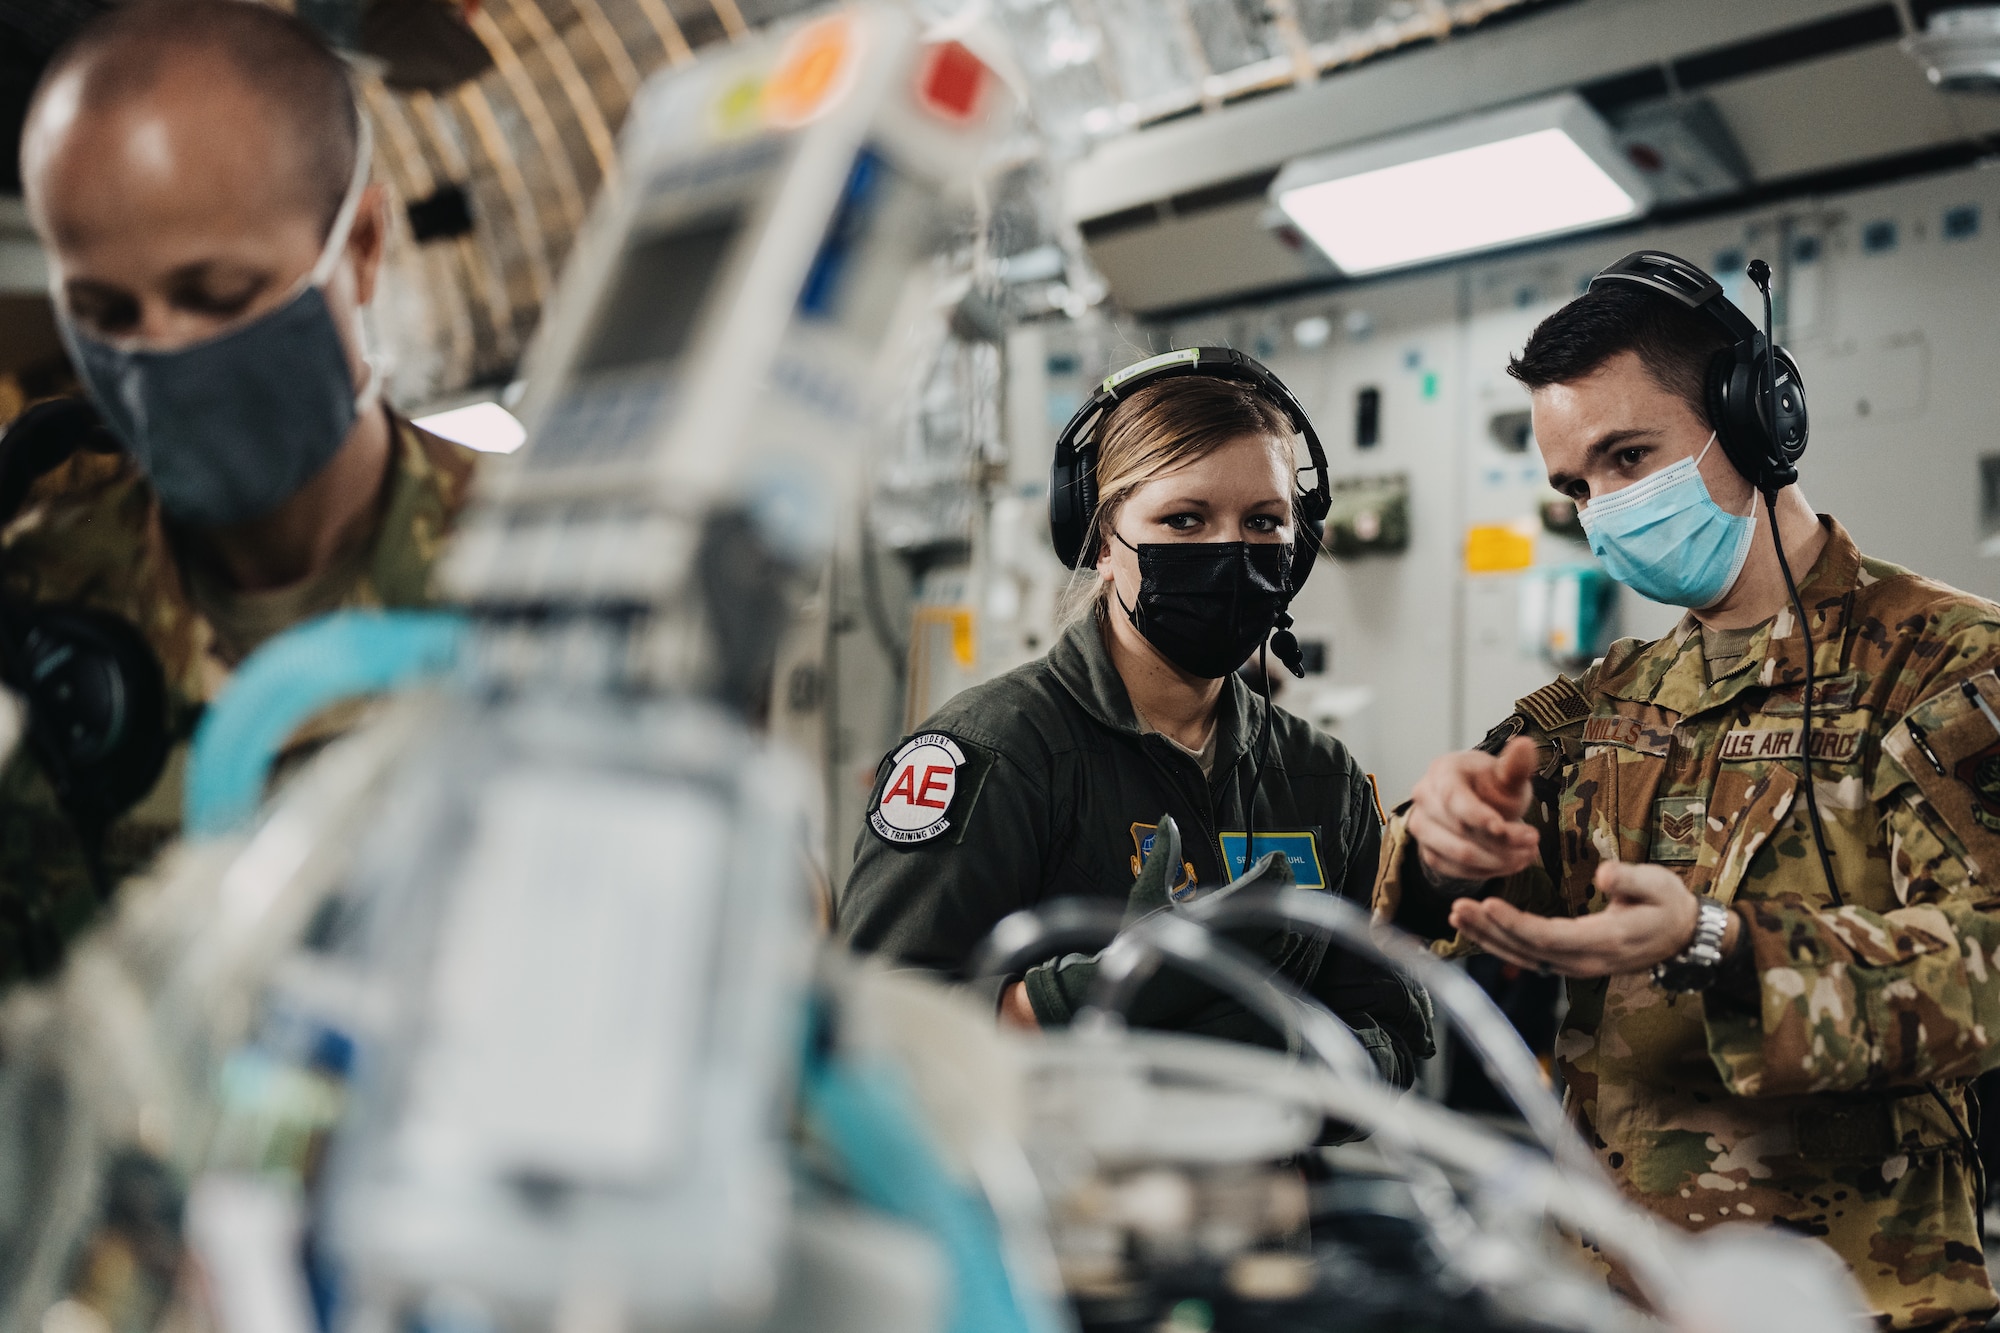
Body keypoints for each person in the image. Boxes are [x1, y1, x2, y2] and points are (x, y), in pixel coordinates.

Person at [1374, 251, 2000, 1330]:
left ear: (1754, 422)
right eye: (1574, 486)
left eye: (1628, 457)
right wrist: (1440, 840)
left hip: (1861, 1298)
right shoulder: (1593, 708)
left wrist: (1717, 941)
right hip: (1609, 1298)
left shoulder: (1945, 667)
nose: (1603, 511)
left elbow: (1985, 967)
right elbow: (1398, 877)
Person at [0, 0, 478, 987]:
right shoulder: (35, 603)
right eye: (104, 314)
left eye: (217, 295)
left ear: (361, 246)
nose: (161, 352)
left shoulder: (551, 572)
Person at [839, 349, 1432, 1085]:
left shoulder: (1320, 776)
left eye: (1263, 522)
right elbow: (867, 1034)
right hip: (1052, 1192)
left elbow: (1395, 1034)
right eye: (1184, 519)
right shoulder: (991, 754)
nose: (1229, 551)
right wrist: (1071, 1001)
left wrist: (1302, 1059)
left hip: (1259, 1195)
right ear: (1101, 541)